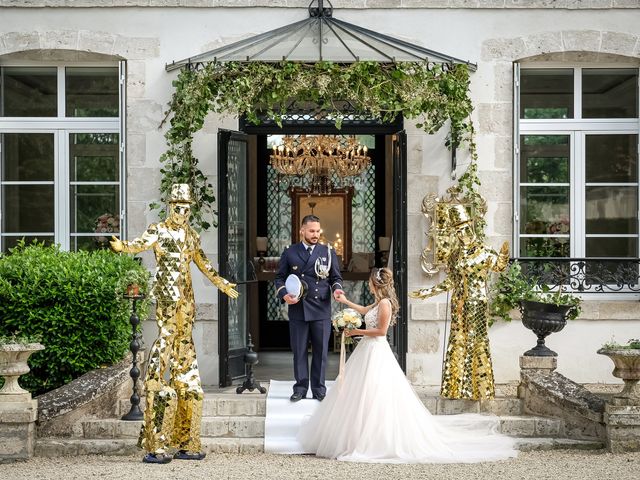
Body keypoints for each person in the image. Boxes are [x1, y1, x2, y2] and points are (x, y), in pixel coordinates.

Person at [297, 268, 517, 463]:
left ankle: (375, 439)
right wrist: (345, 304)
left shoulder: (385, 304)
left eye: (370, 283)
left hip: (376, 350)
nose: (369, 286)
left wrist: (356, 332)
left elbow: (381, 332)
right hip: (367, 351)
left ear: (376, 284)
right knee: (361, 393)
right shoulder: (377, 302)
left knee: (375, 394)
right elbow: (364, 311)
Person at [110, 184, 239, 464]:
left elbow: (204, 264)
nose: (183, 211)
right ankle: (156, 442)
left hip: (187, 304)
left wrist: (222, 282)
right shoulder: (160, 230)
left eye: (187, 207)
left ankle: (187, 442)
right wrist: (123, 247)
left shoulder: (191, 236)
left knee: (187, 364)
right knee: (165, 345)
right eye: (178, 206)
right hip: (168, 300)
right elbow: (140, 243)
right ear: (170, 206)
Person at [410, 204, 509, 400]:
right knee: (458, 340)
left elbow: (498, 267)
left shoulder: (484, 251)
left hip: (478, 302)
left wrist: (504, 255)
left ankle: (478, 389)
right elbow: (451, 281)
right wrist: (427, 292)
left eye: (465, 228)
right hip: (459, 303)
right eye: (458, 230)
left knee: (476, 341)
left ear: (471, 227)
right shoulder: (455, 255)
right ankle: (455, 388)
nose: (462, 233)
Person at [275, 214, 344, 402]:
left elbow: (335, 278)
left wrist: (337, 290)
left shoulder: (327, 252)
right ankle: (300, 388)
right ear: (302, 231)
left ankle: (319, 389)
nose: (315, 234)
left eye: (317, 231)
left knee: (321, 351)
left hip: (321, 307)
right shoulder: (290, 252)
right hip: (298, 308)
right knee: (299, 350)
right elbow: (279, 278)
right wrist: (284, 295)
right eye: (311, 231)